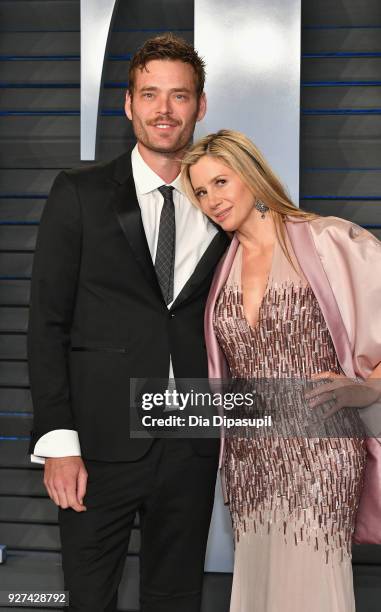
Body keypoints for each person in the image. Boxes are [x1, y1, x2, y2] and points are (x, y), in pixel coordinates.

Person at [27, 35, 229, 612]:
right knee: (89, 599)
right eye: (150, 95)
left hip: (191, 440)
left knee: (177, 597)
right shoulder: (80, 194)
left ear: (201, 106)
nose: (164, 110)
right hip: (95, 446)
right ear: (128, 104)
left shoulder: (223, 201)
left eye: (179, 96)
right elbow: (47, 324)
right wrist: (59, 443)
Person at [181, 129, 381, 612]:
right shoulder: (219, 264)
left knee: (314, 590)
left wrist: (367, 389)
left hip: (322, 452)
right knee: (258, 590)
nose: (213, 200)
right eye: (202, 192)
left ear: (252, 175)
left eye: (222, 182)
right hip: (250, 459)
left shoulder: (330, 240)